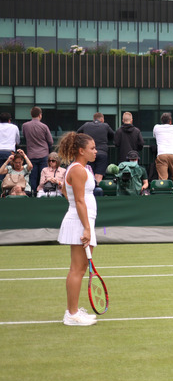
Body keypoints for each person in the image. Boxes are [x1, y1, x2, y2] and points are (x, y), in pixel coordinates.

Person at [57, 132, 99, 326]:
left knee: (81, 268)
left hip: (83, 221)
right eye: (92, 148)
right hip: (81, 223)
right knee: (77, 269)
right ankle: (71, 314)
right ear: (81, 150)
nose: (95, 151)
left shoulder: (80, 169)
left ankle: (73, 311)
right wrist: (86, 228)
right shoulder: (78, 170)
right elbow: (80, 200)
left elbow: (66, 191)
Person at [21, 106, 53, 194]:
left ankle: (33, 192)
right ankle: (42, 193)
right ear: (40, 115)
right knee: (43, 176)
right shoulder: (44, 126)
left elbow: (24, 137)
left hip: (31, 155)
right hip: (43, 154)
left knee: (32, 177)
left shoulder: (25, 126)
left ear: (31, 115)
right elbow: (50, 141)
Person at [77, 112, 115, 183]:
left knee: (88, 173)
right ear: (102, 119)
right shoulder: (105, 126)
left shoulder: (86, 125)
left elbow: (78, 133)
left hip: (88, 153)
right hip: (102, 152)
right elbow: (112, 136)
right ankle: (97, 189)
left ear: (93, 119)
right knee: (99, 176)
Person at [153, 112, 173, 194]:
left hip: (162, 154)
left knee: (163, 179)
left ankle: (164, 195)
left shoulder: (156, 127)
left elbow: (154, 136)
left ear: (161, 120)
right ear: (170, 121)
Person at [0, 112, 20, 182]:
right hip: (9, 153)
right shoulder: (14, 127)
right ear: (9, 120)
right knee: (9, 174)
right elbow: (18, 141)